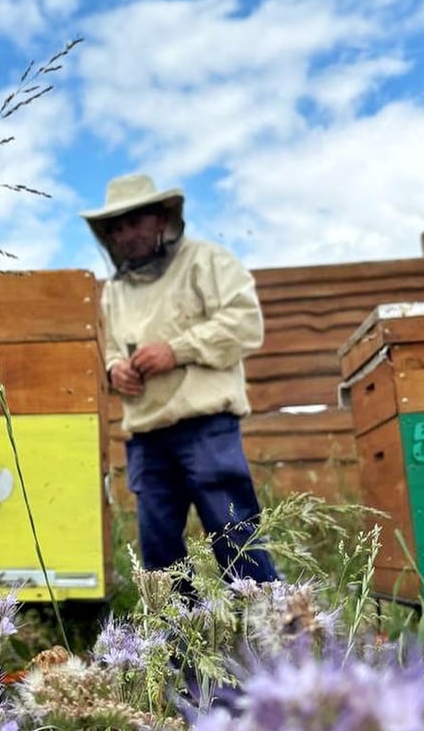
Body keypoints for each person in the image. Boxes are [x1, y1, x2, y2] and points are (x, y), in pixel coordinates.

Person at [80, 173, 278, 584]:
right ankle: (173, 648)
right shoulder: (113, 292)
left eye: (134, 222)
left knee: (235, 537)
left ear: (161, 219)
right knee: (160, 560)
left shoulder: (208, 261)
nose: (126, 234)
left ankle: (273, 639)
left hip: (207, 428)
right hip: (147, 438)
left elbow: (245, 323)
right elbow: (111, 348)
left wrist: (176, 349)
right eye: (116, 228)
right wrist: (115, 370)